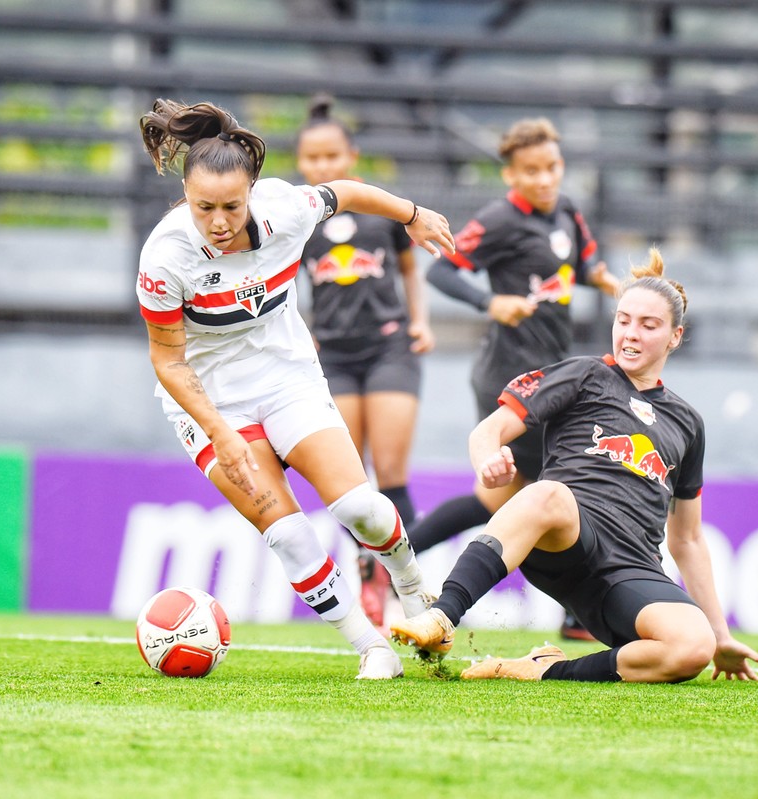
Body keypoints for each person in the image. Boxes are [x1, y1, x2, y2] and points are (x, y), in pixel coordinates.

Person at [135, 98, 455, 680]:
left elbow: (348, 191)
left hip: (287, 379)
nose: (220, 221)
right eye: (204, 207)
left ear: (253, 193)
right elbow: (169, 361)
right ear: (186, 196)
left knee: (361, 508)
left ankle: (413, 590)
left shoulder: (288, 207)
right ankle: (372, 648)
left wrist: (413, 214)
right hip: (211, 403)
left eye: (232, 206)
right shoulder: (165, 257)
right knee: (289, 535)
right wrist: (219, 431)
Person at [391, 249, 758, 683]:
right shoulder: (585, 374)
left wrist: (720, 638)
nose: (631, 334)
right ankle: (441, 619)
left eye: (649, 326)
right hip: (569, 538)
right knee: (545, 492)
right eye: (623, 320)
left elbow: (687, 540)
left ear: (675, 336)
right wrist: (488, 461)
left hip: (632, 568)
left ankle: (543, 670)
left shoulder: (687, 423)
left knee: (691, 648)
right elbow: (486, 432)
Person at [408, 116, 620, 640]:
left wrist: (611, 281)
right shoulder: (500, 219)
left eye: (552, 167)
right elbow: (440, 269)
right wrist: (491, 301)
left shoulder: (568, 211)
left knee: (497, 502)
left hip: (550, 377)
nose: (545, 179)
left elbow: (586, 261)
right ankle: (578, 616)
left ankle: (393, 553)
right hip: (508, 377)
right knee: (568, 484)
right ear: (511, 175)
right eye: (532, 170)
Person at [294, 95, 434, 630]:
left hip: (389, 347)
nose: (323, 167)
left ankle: (408, 585)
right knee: (354, 481)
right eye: (313, 159)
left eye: (333, 157)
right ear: (302, 162)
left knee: (392, 472)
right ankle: (368, 576)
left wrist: (420, 321)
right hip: (333, 355)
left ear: (350, 156)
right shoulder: (297, 222)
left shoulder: (381, 214)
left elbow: (409, 272)